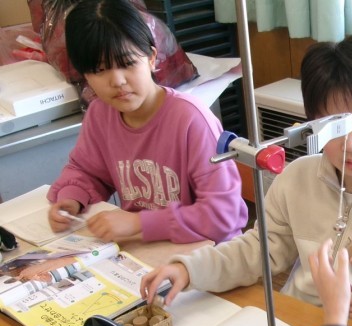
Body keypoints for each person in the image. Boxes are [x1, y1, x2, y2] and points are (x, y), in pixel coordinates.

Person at [141, 34, 352, 326]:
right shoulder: (296, 179)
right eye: (335, 128)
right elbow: (258, 250)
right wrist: (190, 269)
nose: (350, 144)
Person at [46, 0, 247, 244]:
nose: (117, 81)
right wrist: (72, 197)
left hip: (209, 252)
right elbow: (87, 171)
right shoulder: (100, 114)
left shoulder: (191, 120)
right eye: (99, 70)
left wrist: (138, 223)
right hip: (147, 248)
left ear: (151, 58)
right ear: (85, 75)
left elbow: (222, 215)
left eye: (127, 63)